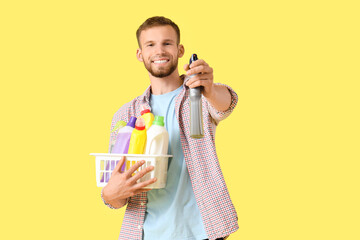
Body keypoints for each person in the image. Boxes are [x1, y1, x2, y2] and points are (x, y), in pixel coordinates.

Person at [101, 16, 239, 240]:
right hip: (145, 234)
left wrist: (210, 88)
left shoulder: (200, 95)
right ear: (140, 54)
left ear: (180, 49)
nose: (159, 51)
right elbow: (115, 194)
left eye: (167, 43)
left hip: (203, 233)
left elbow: (227, 103)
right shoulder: (126, 115)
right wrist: (109, 194)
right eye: (150, 44)